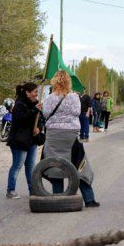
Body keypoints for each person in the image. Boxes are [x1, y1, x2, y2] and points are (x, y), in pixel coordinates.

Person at [43, 71, 99, 207]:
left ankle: (58, 198)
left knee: (56, 165)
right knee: (79, 164)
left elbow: (45, 114)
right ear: (69, 82)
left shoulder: (49, 98)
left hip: (53, 134)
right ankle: (89, 199)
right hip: (71, 134)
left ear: (54, 82)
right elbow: (77, 112)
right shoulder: (74, 97)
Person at [6, 82, 42, 199]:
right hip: (19, 140)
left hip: (31, 140)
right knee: (17, 166)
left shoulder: (36, 104)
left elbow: (40, 119)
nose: (37, 94)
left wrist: (39, 128)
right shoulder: (19, 104)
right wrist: (34, 111)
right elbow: (21, 120)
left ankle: (33, 190)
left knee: (31, 166)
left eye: (37, 92)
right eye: (35, 92)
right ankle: (10, 190)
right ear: (27, 93)